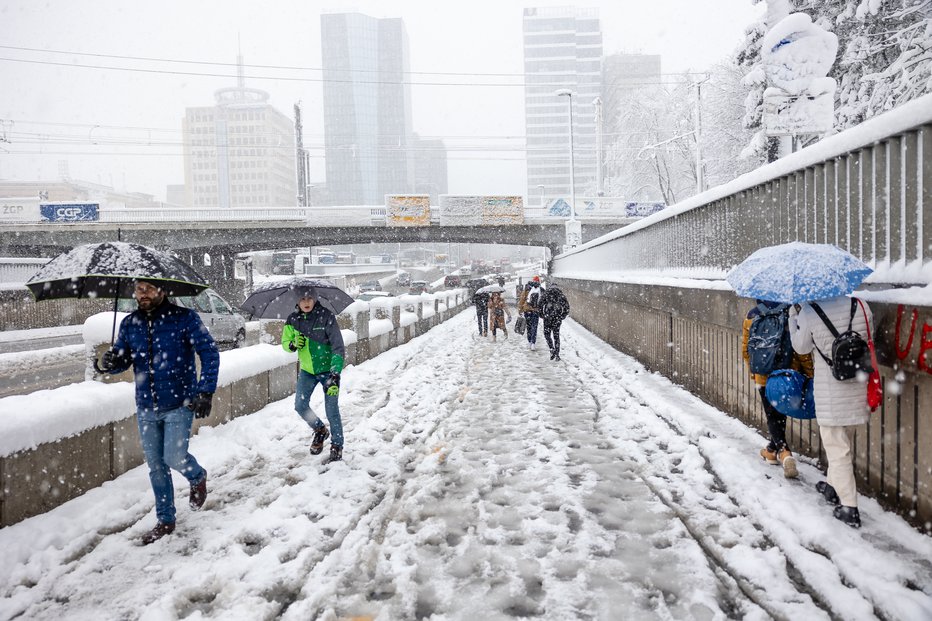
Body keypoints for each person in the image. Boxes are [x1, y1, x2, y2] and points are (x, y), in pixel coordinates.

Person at [95, 279, 219, 545]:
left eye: (149, 288)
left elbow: (209, 352)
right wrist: (109, 363)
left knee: (174, 456)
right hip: (146, 406)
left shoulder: (184, 318)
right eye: (139, 289)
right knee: (156, 467)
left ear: (163, 290)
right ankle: (165, 520)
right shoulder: (130, 324)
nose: (144, 294)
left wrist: (205, 391)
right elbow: (123, 359)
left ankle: (197, 476)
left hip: (179, 403)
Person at [789, 295, 873, 528]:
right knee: (842, 443)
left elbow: (801, 347)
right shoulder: (860, 305)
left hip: (830, 389)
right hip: (857, 383)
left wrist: (792, 318)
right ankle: (832, 488)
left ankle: (849, 507)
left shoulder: (809, 310)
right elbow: (868, 338)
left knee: (837, 448)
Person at [741, 300, 813, 478]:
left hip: (764, 376)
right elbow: (800, 350)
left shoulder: (752, 315)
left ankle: (784, 452)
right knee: (779, 414)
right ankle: (772, 450)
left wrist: (755, 373)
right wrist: (810, 373)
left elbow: (746, 350)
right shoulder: (790, 313)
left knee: (772, 414)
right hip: (787, 375)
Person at [282, 292, 346, 463]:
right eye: (302, 299)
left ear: (316, 299)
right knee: (300, 405)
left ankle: (337, 445)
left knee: (331, 410)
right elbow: (285, 343)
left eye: (309, 298)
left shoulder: (326, 317)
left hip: (328, 372)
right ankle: (320, 430)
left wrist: (335, 372)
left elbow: (338, 346)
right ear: (297, 300)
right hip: (307, 372)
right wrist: (293, 344)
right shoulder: (292, 320)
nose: (306, 302)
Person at [540, 283, 570, 361]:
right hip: (557, 318)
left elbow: (540, 304)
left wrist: (542, 314)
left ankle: (551, 348)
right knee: (556, 336)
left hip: (547, 317)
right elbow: (567, 307)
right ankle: (557, 354)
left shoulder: (546, 294)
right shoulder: (561, 295)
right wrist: (562, 316)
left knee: (547, 334)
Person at [518, 276, 543, 350]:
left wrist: (520, 309)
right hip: (535, 310)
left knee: (529, 327)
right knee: (534, 327)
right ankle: (533, 343)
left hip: (527, 310)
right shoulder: (539, 289)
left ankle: (529, 342)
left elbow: (522, 300)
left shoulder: (527, 289)